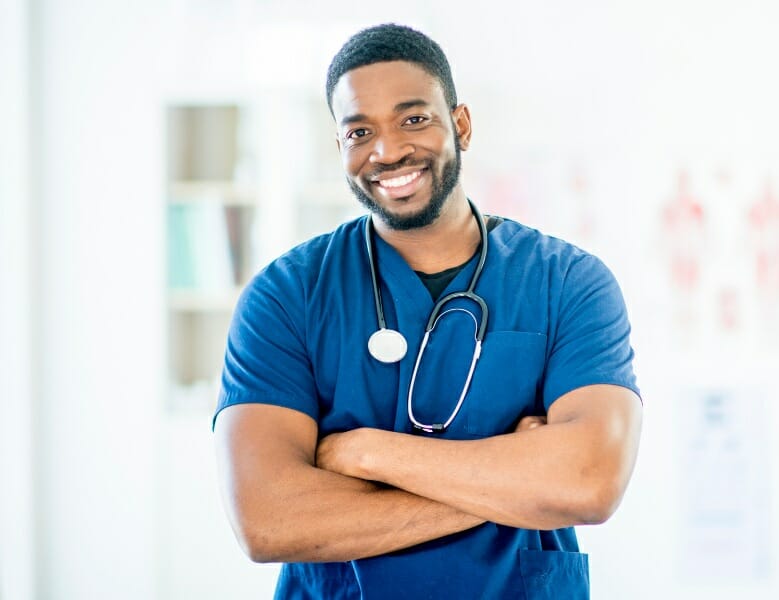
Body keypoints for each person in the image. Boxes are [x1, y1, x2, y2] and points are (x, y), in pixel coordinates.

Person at [213, 23, 643, 600]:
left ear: (460, 125)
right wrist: (513, 482)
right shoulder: (286, 295)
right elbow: (267, 522)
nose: (388, 151)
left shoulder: (566, 282)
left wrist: (363, 452)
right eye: (360, 130)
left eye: (414, 119)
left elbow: (589, 484)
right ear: (339, 146)